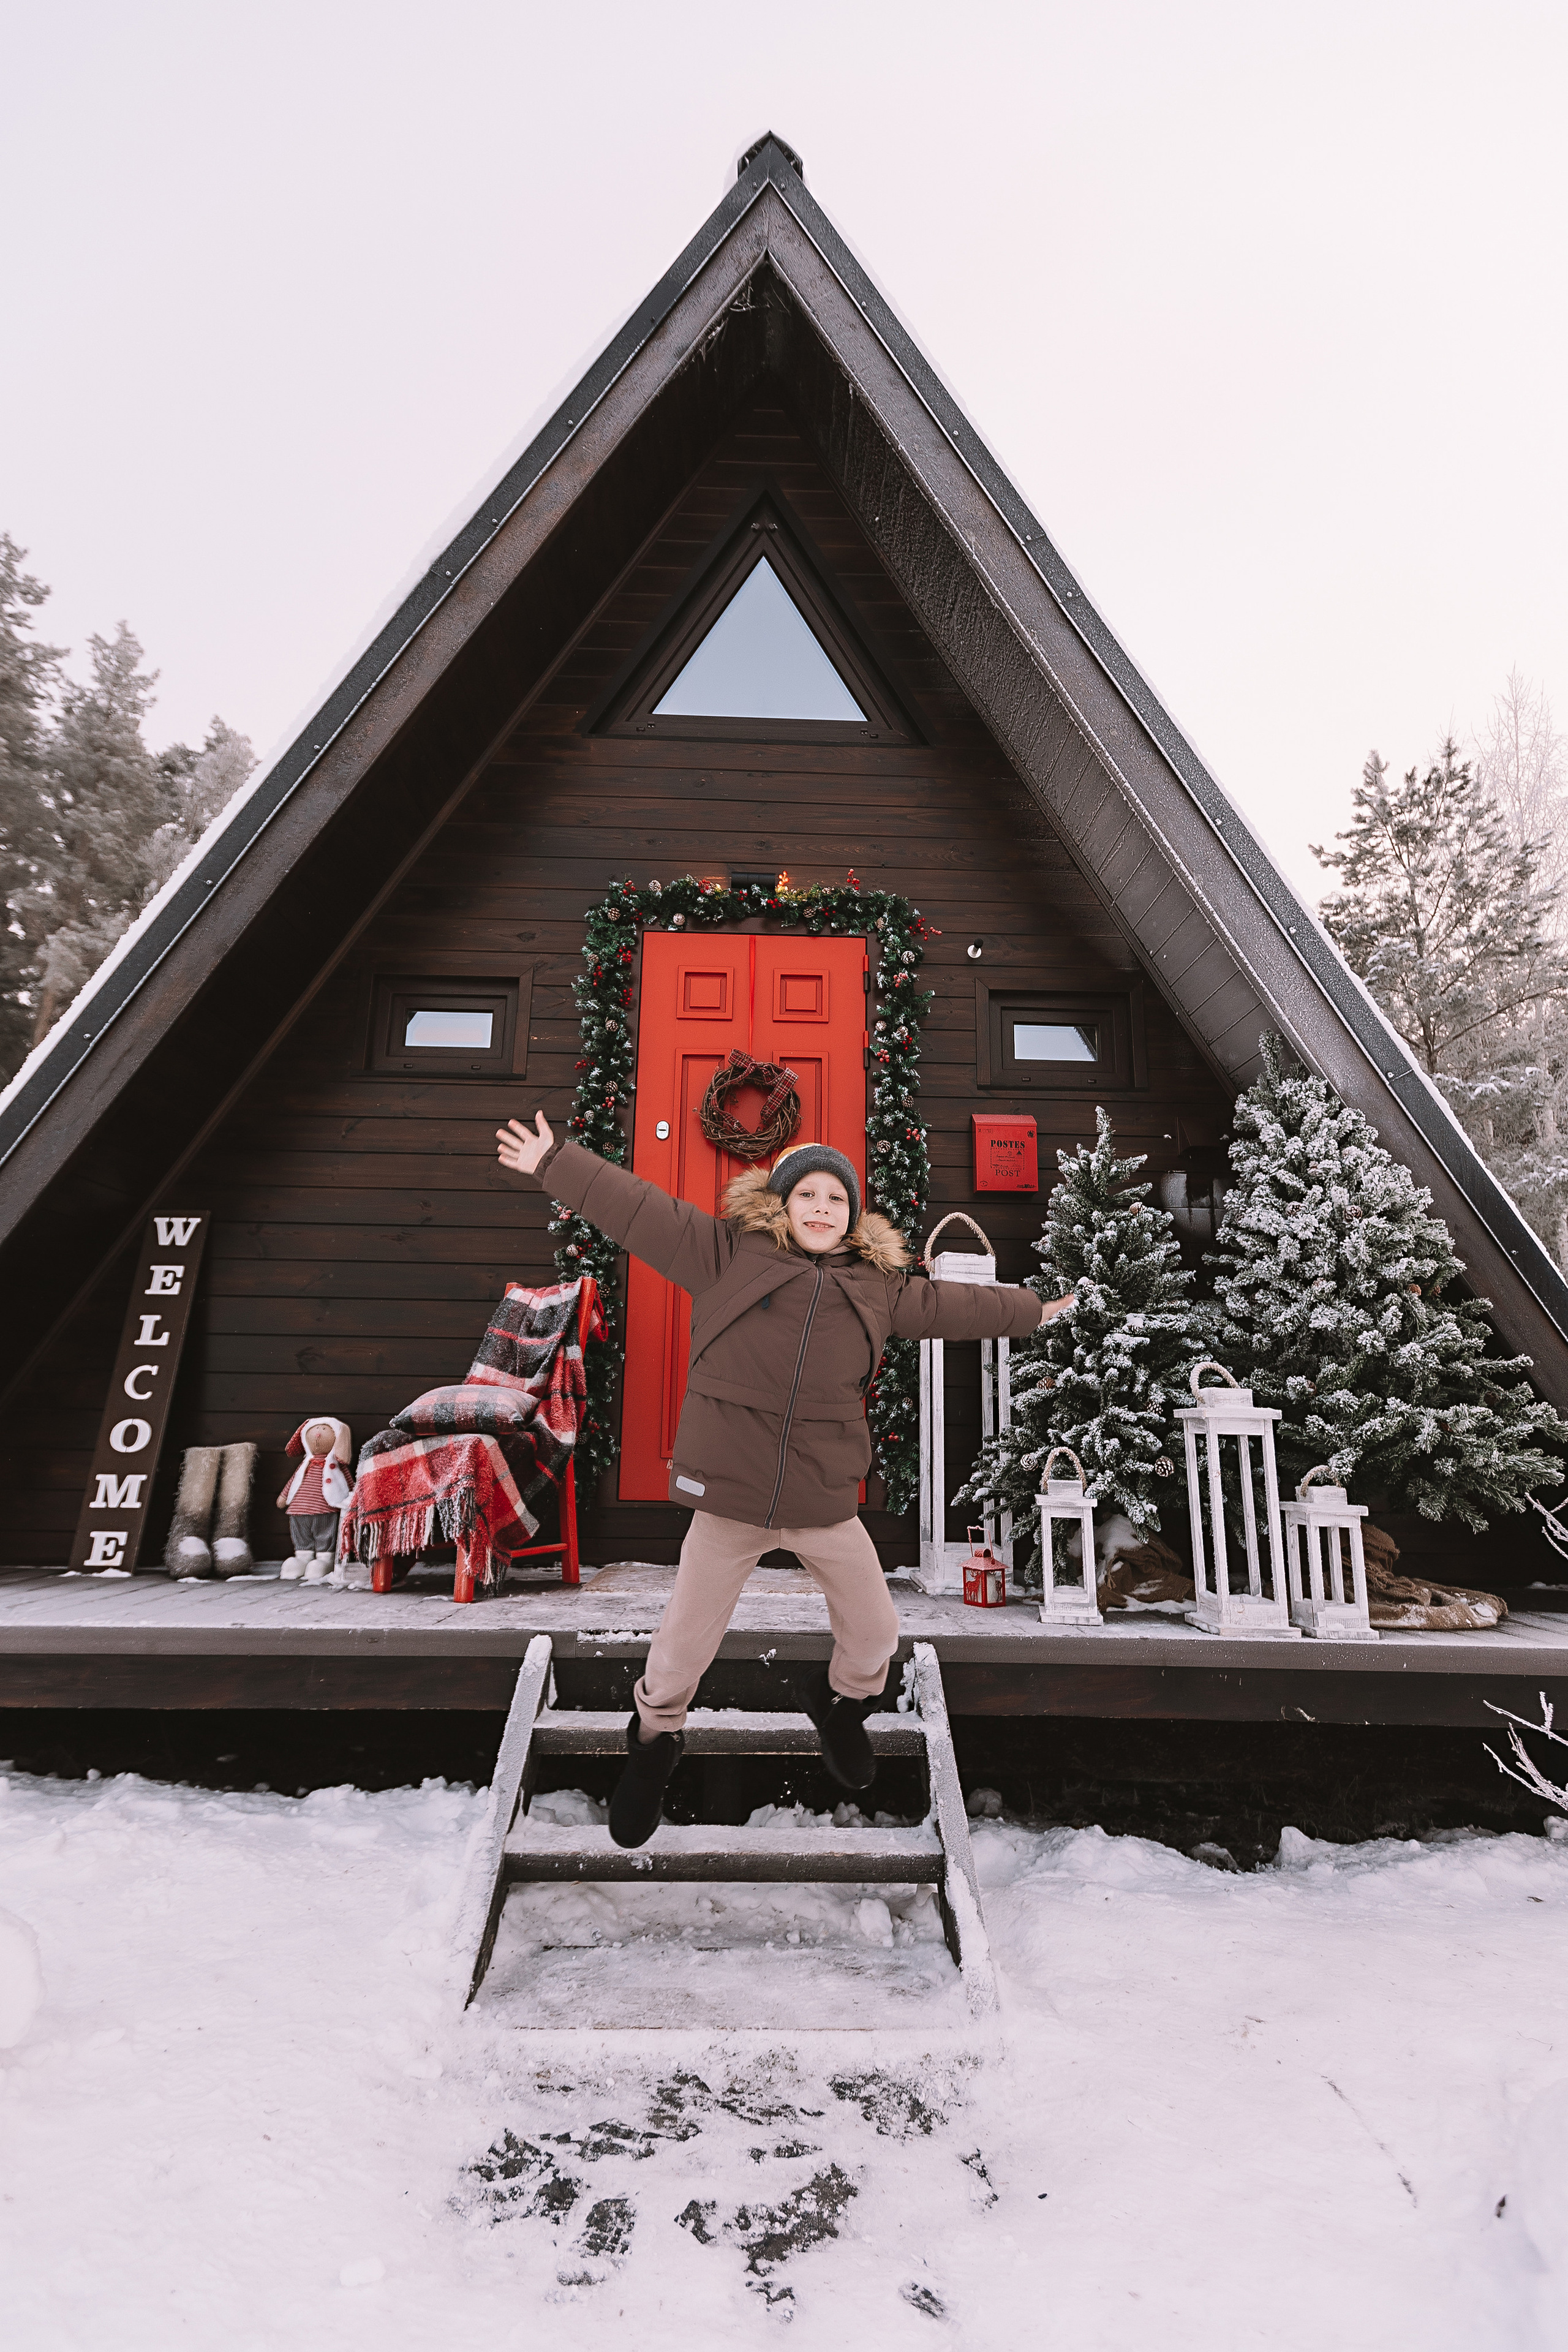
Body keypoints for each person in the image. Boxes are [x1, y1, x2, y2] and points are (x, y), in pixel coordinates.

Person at [496, 1112, 1072, 1847]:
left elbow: (953, 1306)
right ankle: (653, 1742)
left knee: (874, 1635)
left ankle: (838, 1707)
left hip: (820, 1499)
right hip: (731, 1495)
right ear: (782, 1204)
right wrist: (557, 1164)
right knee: (681, 1646)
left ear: (853, 1218)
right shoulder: (726, 1254)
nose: (823, 1208)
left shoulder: (877, 1287)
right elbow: (637, 1208)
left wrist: (1032, 1309)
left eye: (837, 1199)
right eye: (809, 1196)